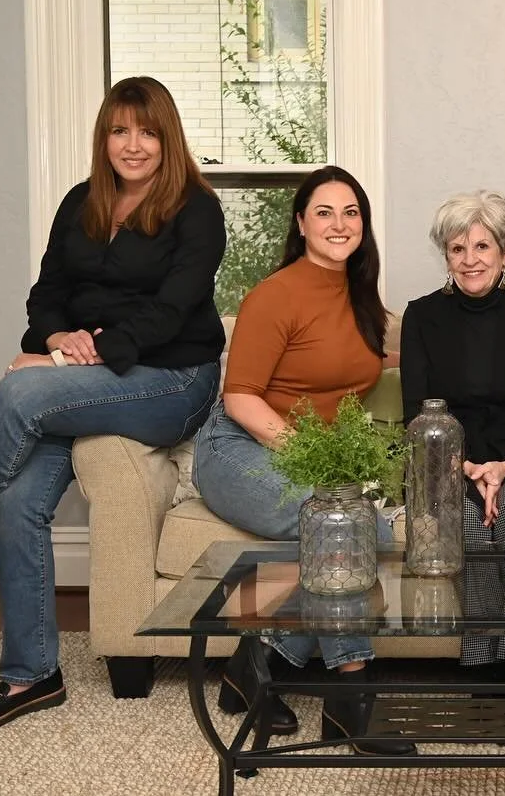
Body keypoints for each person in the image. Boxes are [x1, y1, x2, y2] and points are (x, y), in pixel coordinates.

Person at [0, 76, 226, 732]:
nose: (133, 145)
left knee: (19, 387)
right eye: (119, 130)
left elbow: (171, 313)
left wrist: (62, 360)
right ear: (103, 136)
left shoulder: (196, 209)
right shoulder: (81, 203)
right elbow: (47, 296)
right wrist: (57, 337)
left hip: (172, 379)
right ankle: (30, 674)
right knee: (16, 498)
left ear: (167, 137)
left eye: (147, 131)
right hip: (86, 380)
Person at [191, 166, 414, 756]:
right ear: (301, 223)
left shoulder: (362, 298)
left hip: (305, 460)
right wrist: (316, 465)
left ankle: (256, 661)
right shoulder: (274, 294)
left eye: (351, 213)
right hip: (238, 448)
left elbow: (355, 370)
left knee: (356, 526)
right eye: (325, 212)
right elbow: (240, 397)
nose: (339, 224)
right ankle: (351, 699)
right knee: (345, 527)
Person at [400, 191, 505, 684]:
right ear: (446, 256)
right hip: (449, 461)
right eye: (457, 249)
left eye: (482, 246)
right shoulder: (422, 316)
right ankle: (480, 662)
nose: (470, 260)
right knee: (467, 516)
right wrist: (467, 467)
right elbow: (418, 411)